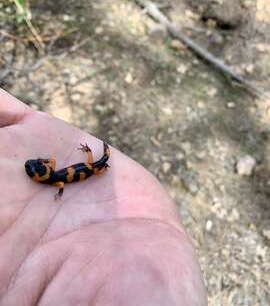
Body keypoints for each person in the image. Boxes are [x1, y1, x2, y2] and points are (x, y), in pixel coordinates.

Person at [0, 88, 207, 305]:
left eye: (33, 170)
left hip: (85, 168)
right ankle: (100, 157)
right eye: (35, 170)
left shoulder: (54, 179)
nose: (34, 169)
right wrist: (51, 174)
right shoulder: (53, 177)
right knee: (94, 164)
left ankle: (102, 157)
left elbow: (60, 180)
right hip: (85, 167)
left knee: (96, 164)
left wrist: (57, 186)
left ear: (41, 179)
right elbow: (57, 175)